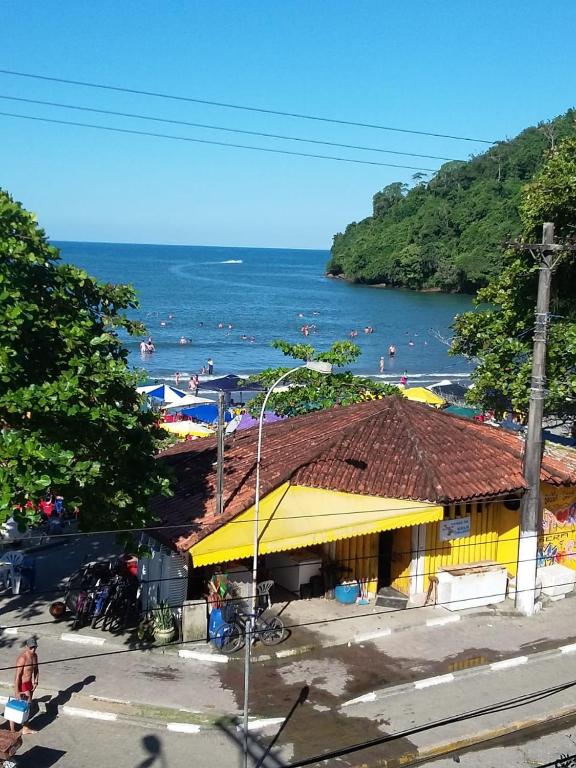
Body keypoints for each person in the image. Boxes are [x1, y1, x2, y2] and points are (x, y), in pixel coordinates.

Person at [11, 638, 39, 734]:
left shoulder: (35, 656)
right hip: (22, 684)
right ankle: (20, 728)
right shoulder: (23, 658)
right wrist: (17, 691)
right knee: (25, 705)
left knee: (24, 706)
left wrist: (36, 681)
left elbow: (36, 669)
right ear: (27, 647)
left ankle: (22, 727)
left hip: (29, 683)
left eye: (34, 647)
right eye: (31, 647)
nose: (33, 649)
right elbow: (17, 676)